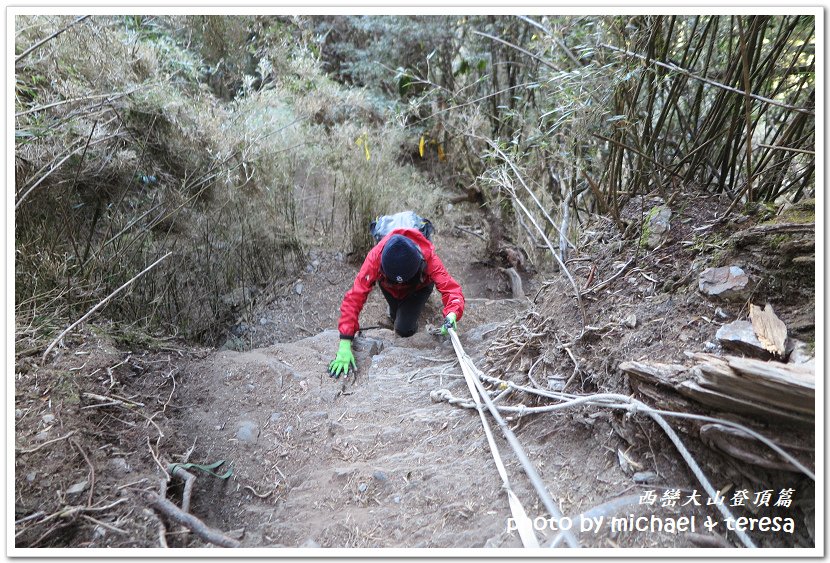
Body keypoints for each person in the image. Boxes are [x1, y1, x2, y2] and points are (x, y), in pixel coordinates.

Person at [328, 227, 465, 378]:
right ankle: (394, 313)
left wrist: (452, 313)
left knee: (404, 329)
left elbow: (451, 289)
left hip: (419, 288)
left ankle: (406, 322)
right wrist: (345, 342)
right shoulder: (375, 258)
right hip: (389, 287)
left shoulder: (428, 256)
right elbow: (355, 297)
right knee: (395, 315)